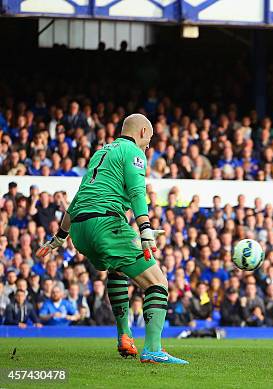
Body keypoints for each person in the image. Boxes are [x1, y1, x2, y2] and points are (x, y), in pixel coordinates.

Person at [36, 113, 188, 364]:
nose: (149, 145)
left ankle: (125, 336)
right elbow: (139, 192)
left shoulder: (101, 153)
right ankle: (152, 350)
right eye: (149, 138)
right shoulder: (134, 152)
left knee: (117, 269)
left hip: (79, 230)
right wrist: (145, 229)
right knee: (158, 284)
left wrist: (59, 238)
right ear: (141, 133)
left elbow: (77, 199)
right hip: (104, 223)